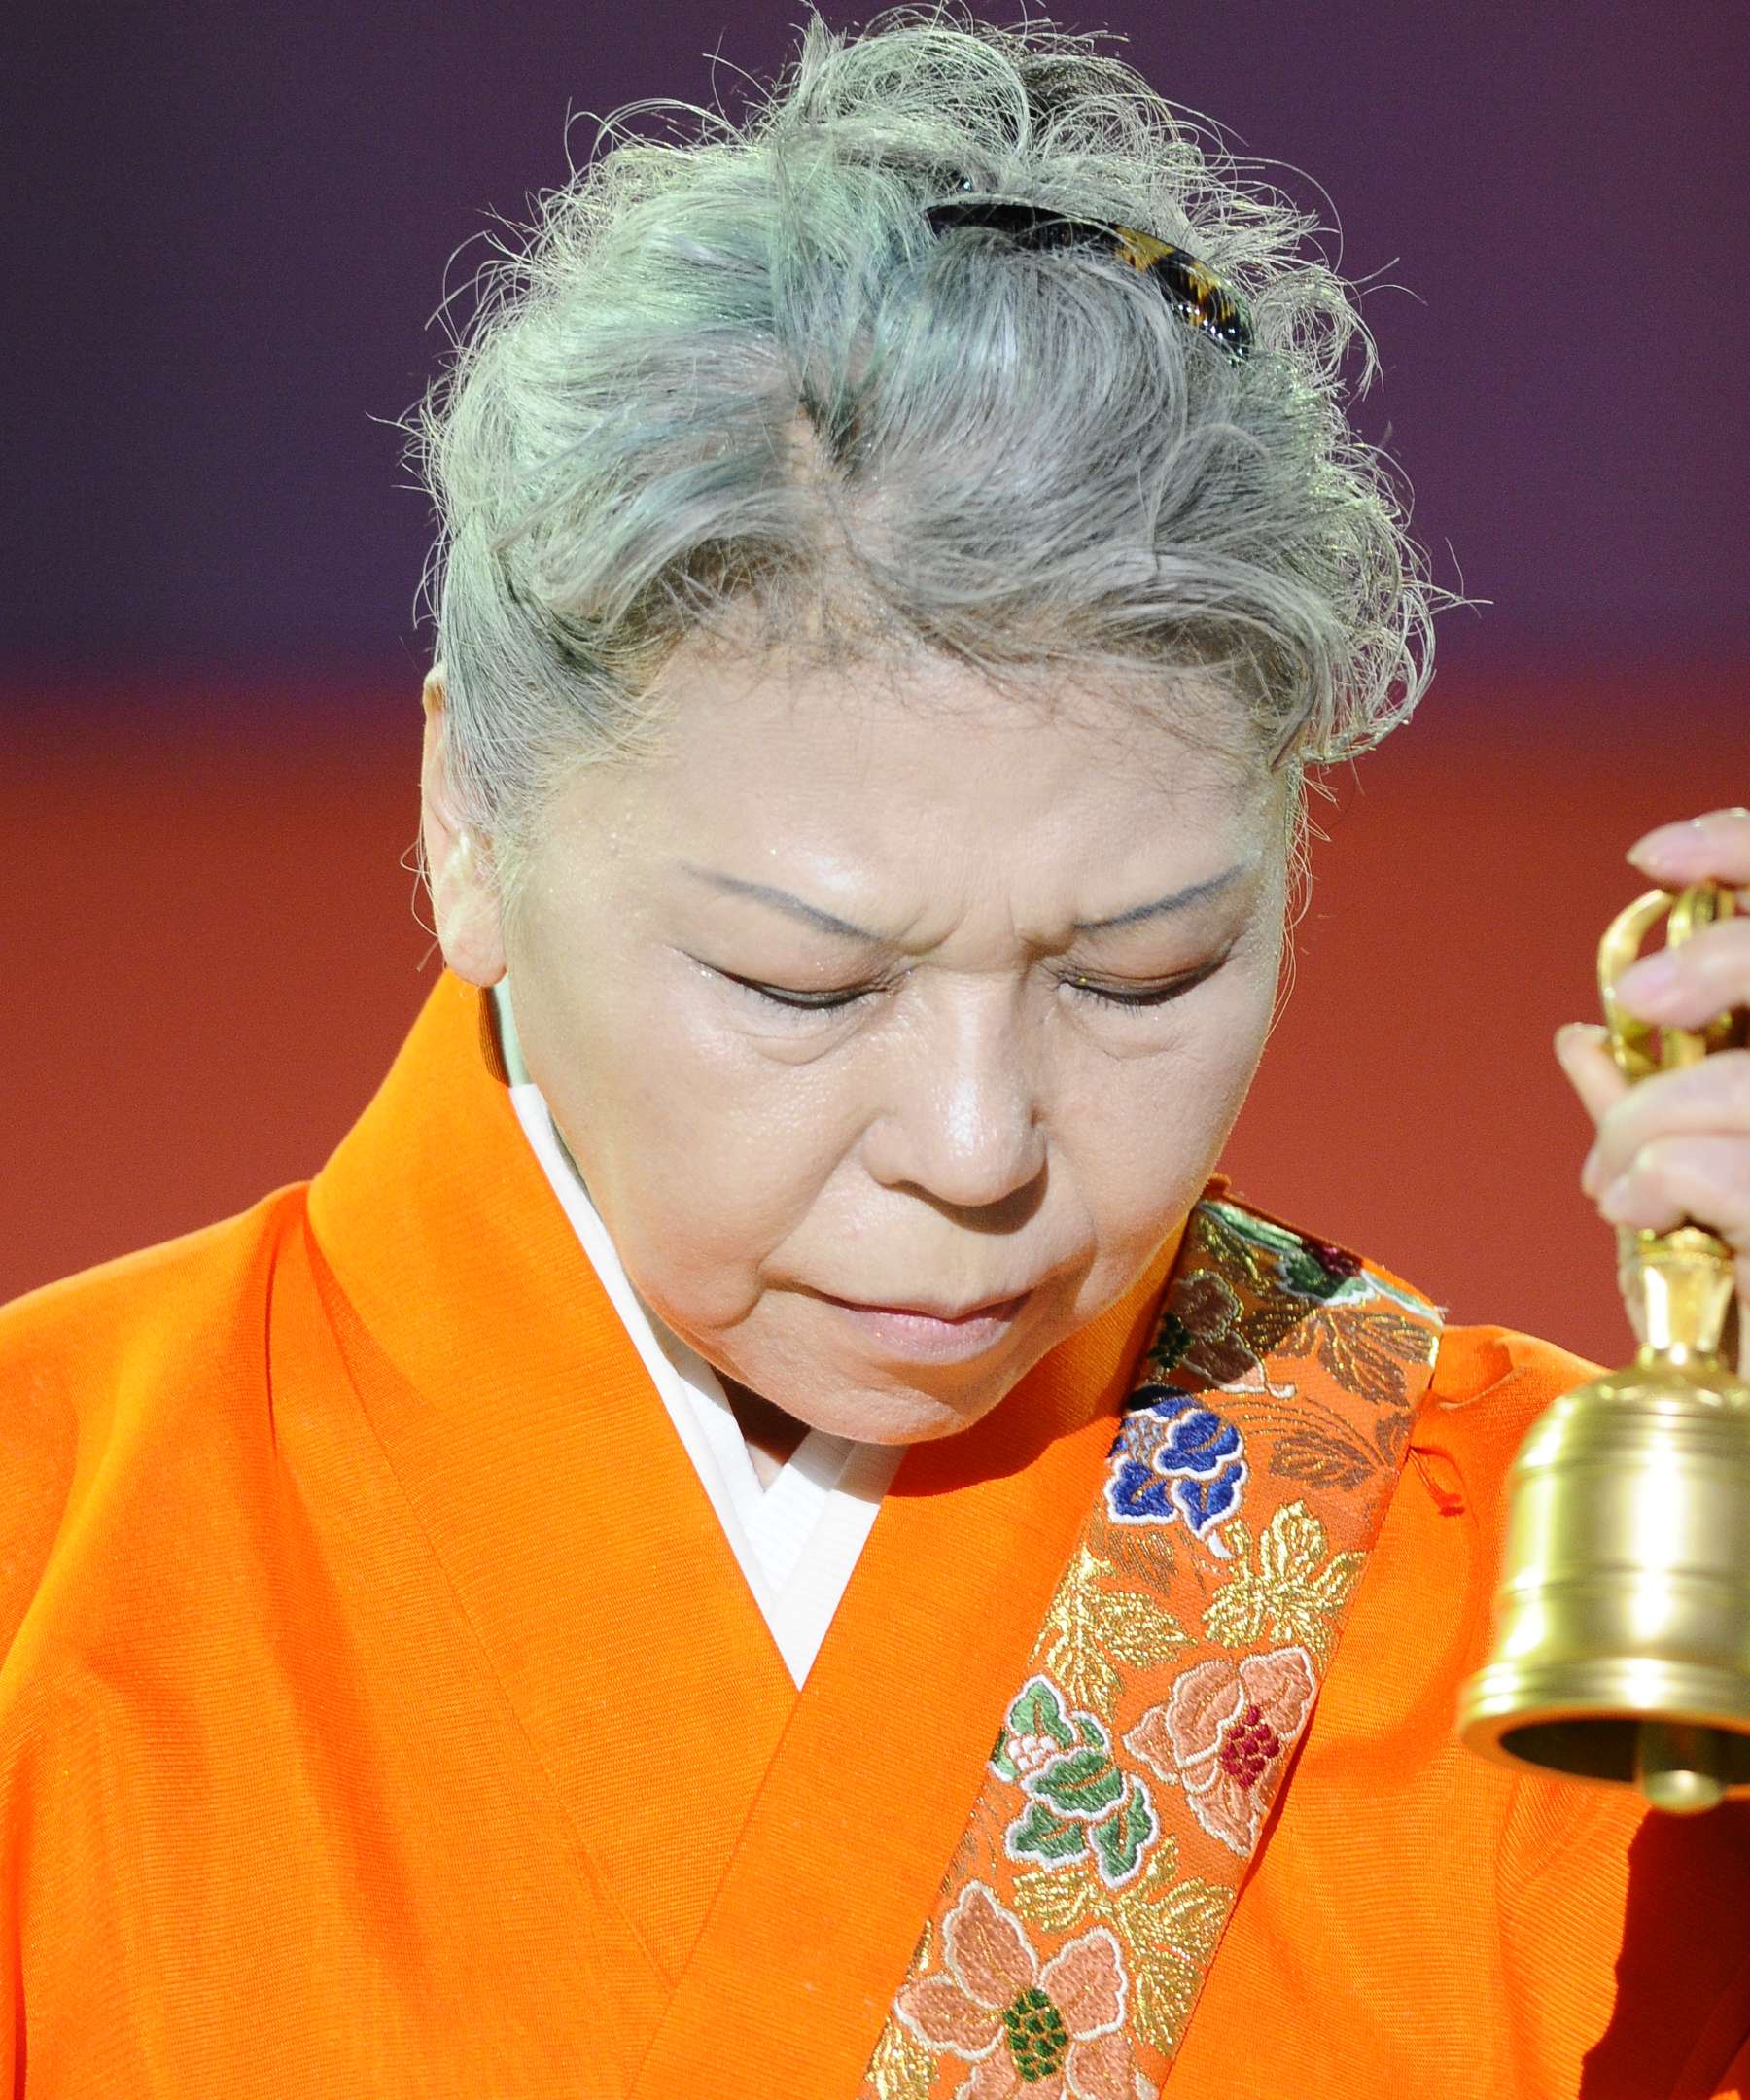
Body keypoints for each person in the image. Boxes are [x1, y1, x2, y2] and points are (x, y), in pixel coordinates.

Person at [3, 8, 1747, 2095]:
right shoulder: (46, 1534)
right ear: (468, 825)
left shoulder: (1567, 1605)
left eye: (1139, 977)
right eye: (803, 987)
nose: (977, 1142)